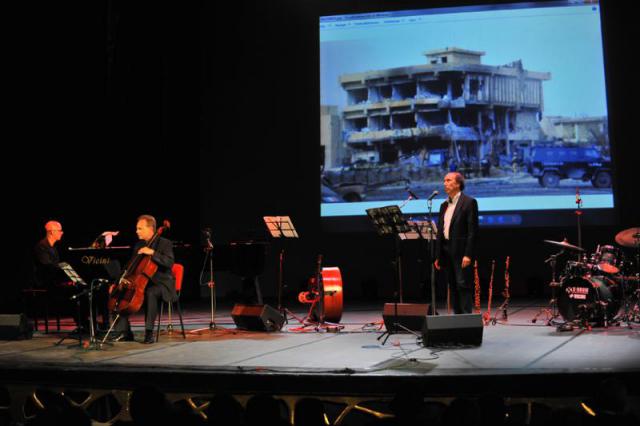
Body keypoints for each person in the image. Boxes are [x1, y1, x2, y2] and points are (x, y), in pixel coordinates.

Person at [111, 215, 176, 344]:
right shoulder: (139, 245)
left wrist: (152, 253)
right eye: (137, 228)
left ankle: (149, 332)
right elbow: (129, 266)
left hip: (162, 283)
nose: (137, 231)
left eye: (140, 228)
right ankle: (125, 332)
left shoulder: (164, 243)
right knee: (119, 292)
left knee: (150, 292)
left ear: (150, 229)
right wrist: (118, 281)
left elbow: (169, 262)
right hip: (142, 282)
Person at [434, 172, 478, 314]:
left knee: (462, 284)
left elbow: (472, 231)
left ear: (458, 184)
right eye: (444, 180)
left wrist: (468, 254)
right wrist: (438, 255)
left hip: (460, 251)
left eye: (448, 180)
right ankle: (458, 318)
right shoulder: (443, 205)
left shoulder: (469, 202)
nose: (444, 183)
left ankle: (467, 319)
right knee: (452, 285)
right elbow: (441, 231)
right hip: (446, 250)